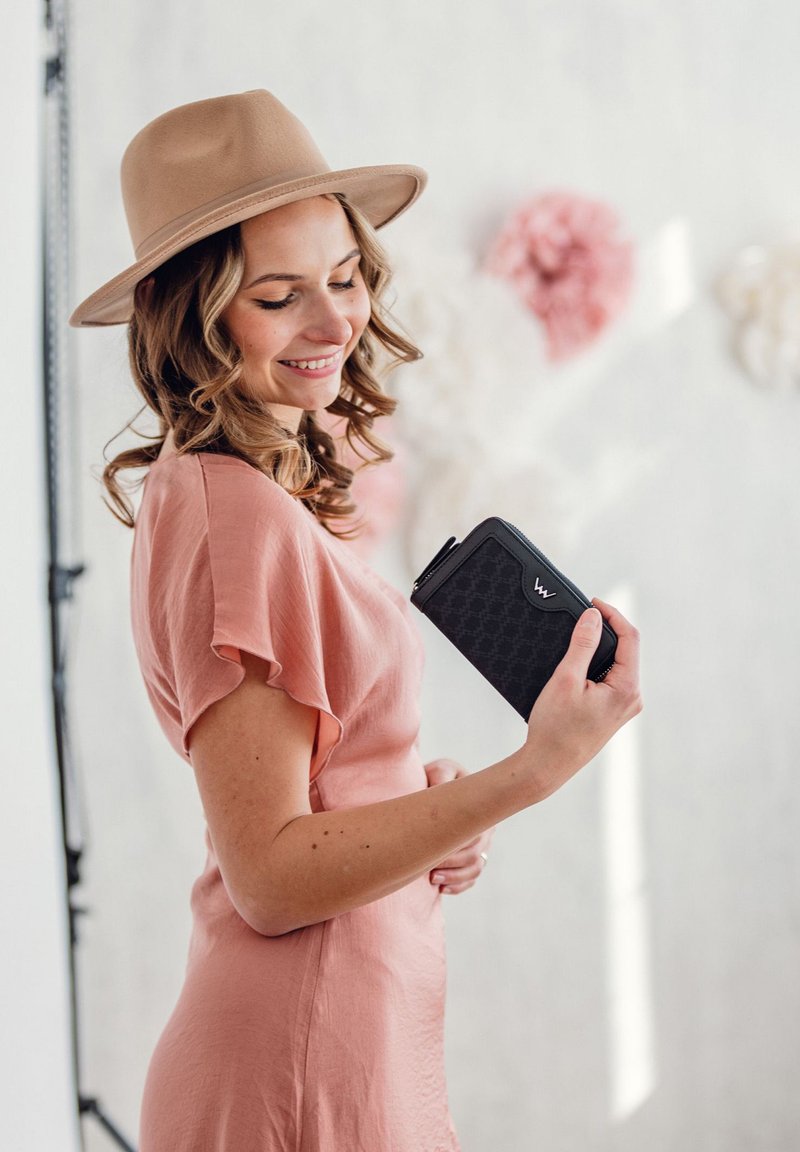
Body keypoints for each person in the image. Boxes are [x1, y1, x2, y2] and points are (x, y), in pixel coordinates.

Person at [71, 90, 642, 1152]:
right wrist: (524, 776)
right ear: (192, 314)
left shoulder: (244, 498)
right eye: (280, 296)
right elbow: (273, 877)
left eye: (342, 279)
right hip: (297, 1060)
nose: (335, 323)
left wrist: (417, 814)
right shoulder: (230, 512)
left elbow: (308, 800)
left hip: (342, 1040)